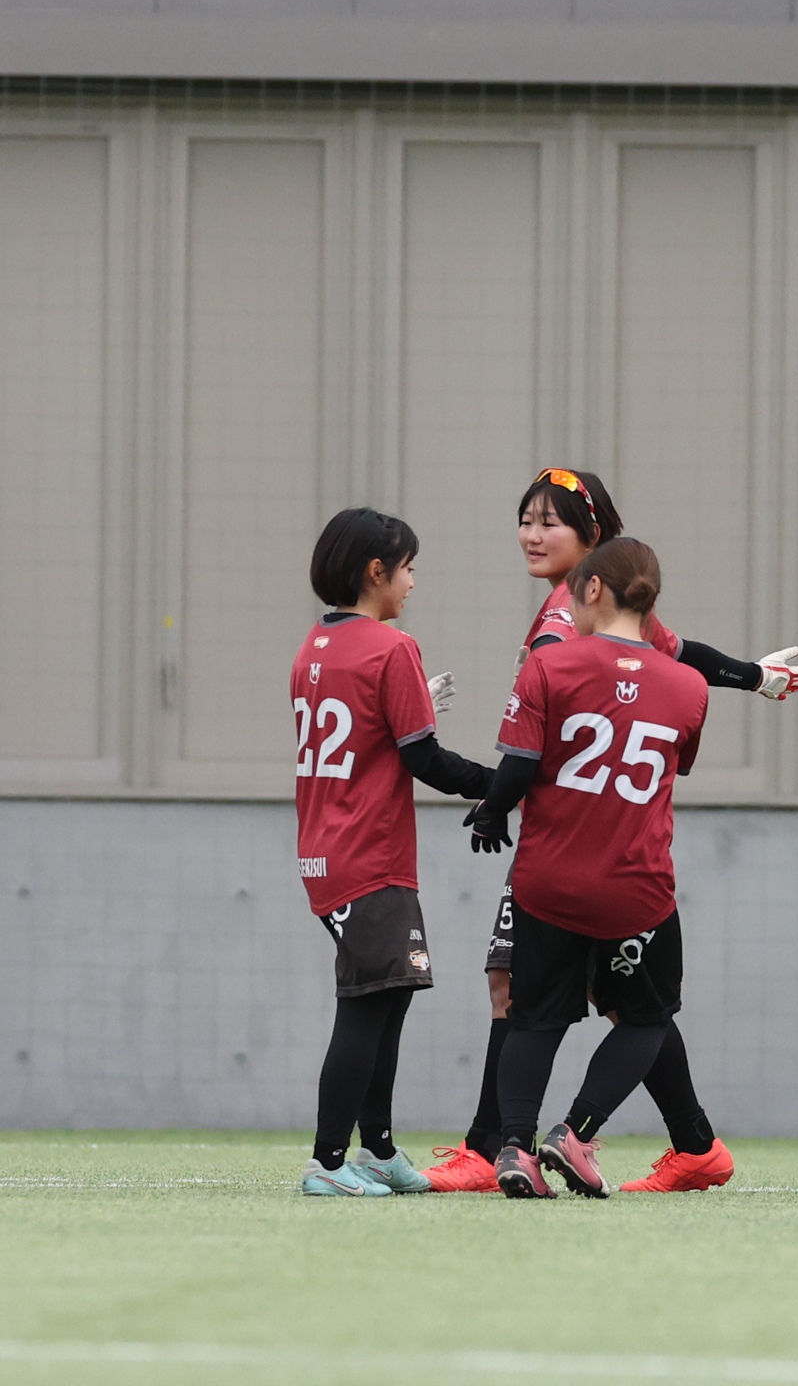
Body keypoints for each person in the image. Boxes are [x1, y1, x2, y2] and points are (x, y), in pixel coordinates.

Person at [426, 467, 798, 1195]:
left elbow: (533, 746)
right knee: (635, 1006)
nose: (532, 535)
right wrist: (754, 678)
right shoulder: (636, 625)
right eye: (526, 520)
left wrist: (489, 798)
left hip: (556, 847)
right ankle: (687, 1143)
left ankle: (496, 1146)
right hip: (625, 864)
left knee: (526, 998)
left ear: (593, 550)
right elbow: (682, 670)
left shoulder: (566, 624)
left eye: (550, 523)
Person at [465, 538, 714, 1198]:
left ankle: (513, 1148)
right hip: (635, 885)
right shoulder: (689, 686)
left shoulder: (549, 665)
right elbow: (669, 762)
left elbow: (519, 765)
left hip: (548, 880)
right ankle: (574, 1133)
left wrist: (491, 813)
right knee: (647, 1017)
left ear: (594, 589)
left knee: (533, 1019)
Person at [292, 509, 496, 1196]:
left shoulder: (314, 646)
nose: (412, 582)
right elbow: (425, 760)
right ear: (375, 571)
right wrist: (506, 785)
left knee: (389, 996)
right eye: (407, 568)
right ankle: (327, 1163)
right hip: (368, 854)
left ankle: (377, 1149)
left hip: (325, 851)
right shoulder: (391, 647)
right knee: (365, 1007)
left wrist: (414, 703)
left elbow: (361, 736)